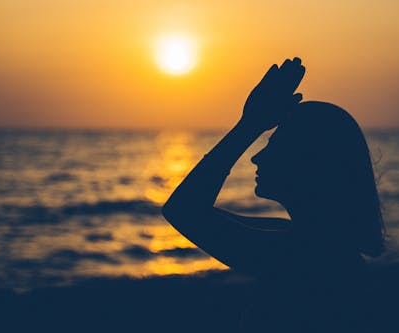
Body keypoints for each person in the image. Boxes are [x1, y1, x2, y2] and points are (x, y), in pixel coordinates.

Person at [162, 57, 385, 332]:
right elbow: (193, 211)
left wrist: (250, 125)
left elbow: (183, 210)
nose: (256, 157)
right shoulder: (314, 242)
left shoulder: (306, 258)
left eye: (274, 145)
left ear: (308, 162)